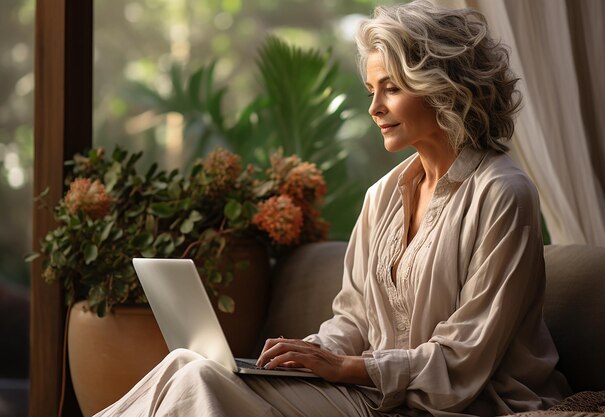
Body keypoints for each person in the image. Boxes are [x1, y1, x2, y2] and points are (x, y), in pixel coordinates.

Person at [95, 1, 571, 416]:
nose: (374, 108)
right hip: (371, 391)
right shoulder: (382, 196)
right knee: (188, 363)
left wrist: (348, 367)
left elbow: (466, 359)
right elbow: (354, 321)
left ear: (443, 88)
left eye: (391, 88)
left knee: (198, 381)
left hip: (459, 403)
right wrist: (309, 355)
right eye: (371, 91)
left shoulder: (503, 194)